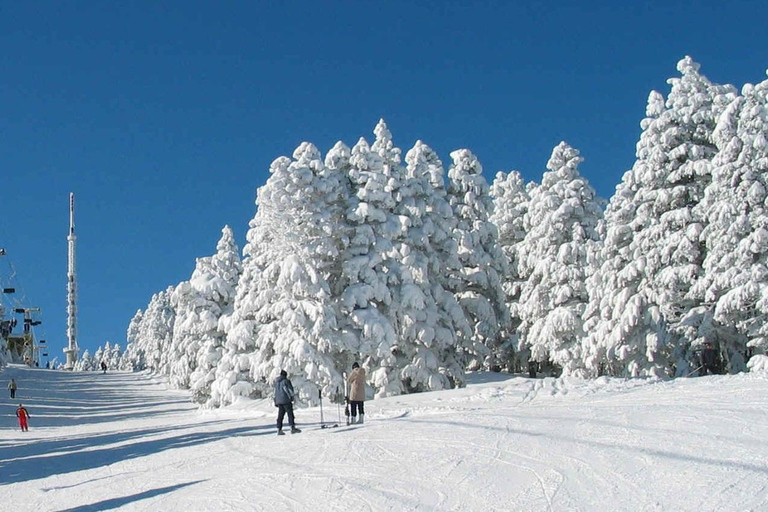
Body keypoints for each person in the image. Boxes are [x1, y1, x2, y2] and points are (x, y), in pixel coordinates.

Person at [274, 370, 301, 435]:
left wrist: (276, 400)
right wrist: (292, 397)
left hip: (279, 401)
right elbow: (289, 390)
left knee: (280, 415)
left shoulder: (277, 382)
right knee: (290, 414)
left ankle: (279, 429)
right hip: (286, 400)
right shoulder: (286, 381)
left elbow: (275, 392)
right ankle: (292, 428)